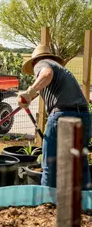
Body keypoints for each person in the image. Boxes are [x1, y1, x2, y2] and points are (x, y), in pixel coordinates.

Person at [17, 44, 91, 189]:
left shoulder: (42, 63)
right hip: (84, 116)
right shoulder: (62, 71)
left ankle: (47, 204)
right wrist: (28, 98)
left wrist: (30, 91)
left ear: (34, 62)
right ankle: (85, 207)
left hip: (63, 116)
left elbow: (46, 74)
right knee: (79, 165)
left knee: (50, 164)